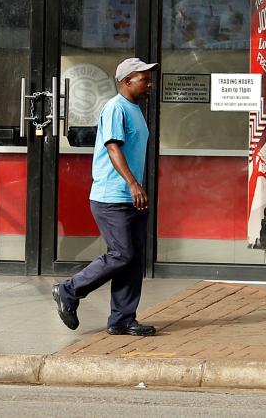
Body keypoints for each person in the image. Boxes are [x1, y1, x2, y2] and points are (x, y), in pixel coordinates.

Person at [53, 57, 157, 336]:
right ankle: (69, 290)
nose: (150, 83)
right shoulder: (115, 108)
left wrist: (136, 189)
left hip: (131, 196)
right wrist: (134, 184)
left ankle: (123, 319)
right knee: (121, 253)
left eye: (149, 78)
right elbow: (113, 149)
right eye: (144, 79)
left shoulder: (134, 109)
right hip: (112, 195)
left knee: (132, 260)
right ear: (126, 81)